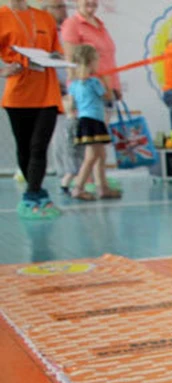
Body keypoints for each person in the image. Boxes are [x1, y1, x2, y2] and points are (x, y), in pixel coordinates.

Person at [0, 0, 64, 219]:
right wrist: (3, 70)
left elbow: (57, 50)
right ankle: (36, 192)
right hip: (18, 93)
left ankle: (32, 194)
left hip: (47, 92)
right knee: (25, 147)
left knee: (39, 146)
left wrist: (56, 58)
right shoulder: (2, 16)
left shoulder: (45, 17)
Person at [67, 44, 119, 201]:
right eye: (96, 60)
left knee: (101, 155)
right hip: (94, 122)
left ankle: (103, 187)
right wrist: (106, 82)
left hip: (84, 120)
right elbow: (108, 97)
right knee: (91, 157)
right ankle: (78, 187)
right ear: (91, 63)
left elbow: (71, 105)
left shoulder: (74, 85)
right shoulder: (94, 83)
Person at [43, 0, 83, 197]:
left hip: (74, 88)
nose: (63, 10)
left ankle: (81, 174)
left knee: (77, 133)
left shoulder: (71, 30)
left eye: (64, 6)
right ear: (46, 10)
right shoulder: (42, 33)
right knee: (59, 136)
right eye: (58, 7)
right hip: (52, 91)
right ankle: (65, 174)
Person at [61, 0, 120, 103]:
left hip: (108, 90)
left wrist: (115, 86)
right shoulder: (72, 24)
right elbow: (71, 62)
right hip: (89, 92)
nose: (91, 1)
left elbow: (108, 60)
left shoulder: (100, 24)